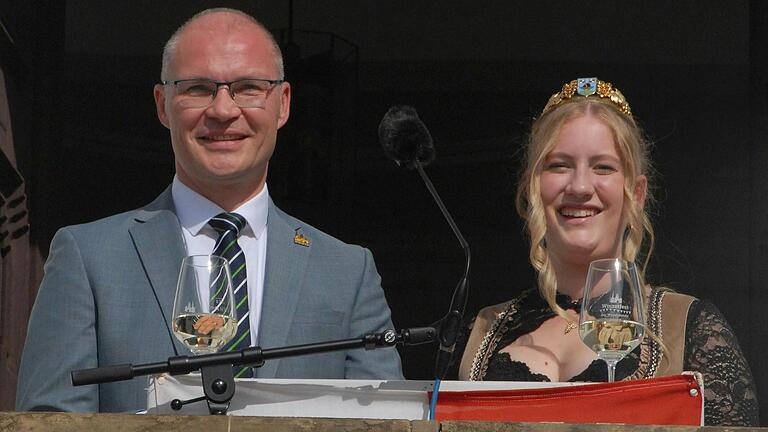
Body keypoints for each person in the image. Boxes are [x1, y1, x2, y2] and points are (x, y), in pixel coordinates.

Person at [16, 8, 403, 413]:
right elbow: (50, 420)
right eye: (198, 88)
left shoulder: (347, 272)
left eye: (249, 87)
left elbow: (384, 420)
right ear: (163, 105)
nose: (222, 110)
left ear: (282, 104)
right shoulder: (88, 258)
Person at [454, 78, 758, 426]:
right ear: (531, 186)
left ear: (637, 193)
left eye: (603, 167)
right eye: (559, 165)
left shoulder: (689, 327)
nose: (580, 187)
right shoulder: (480, 332)